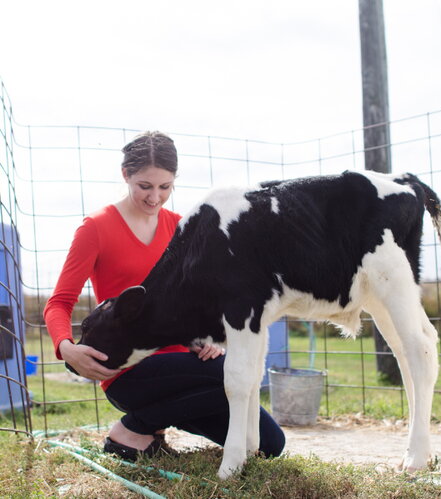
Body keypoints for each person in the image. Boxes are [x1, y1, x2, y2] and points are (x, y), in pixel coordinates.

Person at [46, 131, 285, 461]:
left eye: (165, 187)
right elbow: (59, 302)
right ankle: (134, 426)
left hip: (190, 365)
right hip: (129, 370)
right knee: (231, 374)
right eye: (145, 186)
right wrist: (66, 347)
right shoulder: (96, 228)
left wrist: (211, 340)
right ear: (126, 175)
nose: (154, 197)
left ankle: (147, 426)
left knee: (269, 445)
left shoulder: (182, 227)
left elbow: (205, 301)